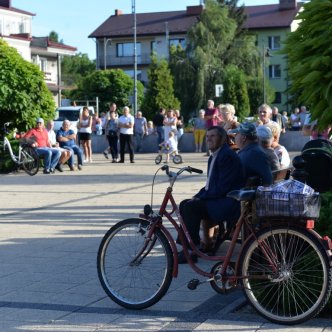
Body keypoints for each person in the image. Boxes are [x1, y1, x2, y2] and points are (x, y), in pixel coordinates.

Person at [177, 126, 245, 263]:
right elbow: (210, 185)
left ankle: (191, 250)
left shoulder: (226, 156)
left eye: (213, 136)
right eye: (207, 136)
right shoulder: (216, 155)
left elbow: (223, 187)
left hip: (228, 203)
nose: (208, 139)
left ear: (223, 139)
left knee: (189, 208)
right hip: (221, 198)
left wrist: (201, 198)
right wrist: (197, 195)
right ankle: (189, 247)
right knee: (186, 203)